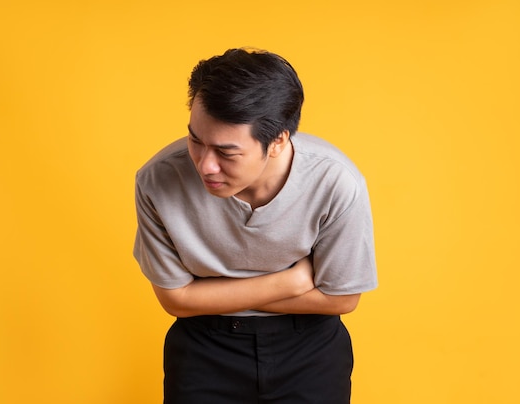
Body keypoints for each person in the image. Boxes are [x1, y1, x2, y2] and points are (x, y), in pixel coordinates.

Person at [133, 47, 378, 404]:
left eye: (226, 152)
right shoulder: (157, 180)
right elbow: (176, 301)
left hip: (310, 351)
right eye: (195, 140)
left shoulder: (335, 181)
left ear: (278, 140)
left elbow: (341, 298)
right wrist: (290, 281)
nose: (204, 165)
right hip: (203, 350)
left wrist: (208, 295)